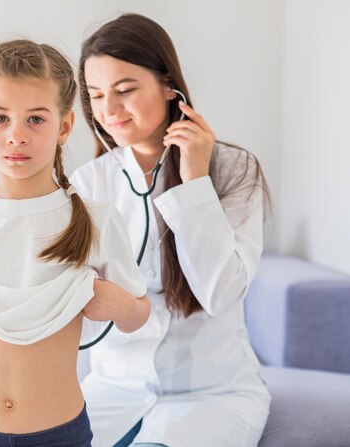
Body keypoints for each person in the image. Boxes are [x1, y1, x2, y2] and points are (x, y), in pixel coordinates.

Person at [0, 39, 151, 447]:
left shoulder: (93, 220)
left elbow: (137, 314)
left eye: (36, 119)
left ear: (66, 125)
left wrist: (122, 306)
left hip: (60, 435)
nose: (16, 135)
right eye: (0, 118)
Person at [70, 14, 272, 447]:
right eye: (96, 95)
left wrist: (195, 182)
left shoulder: (236, 170)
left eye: (125, 91)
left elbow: (219, 294)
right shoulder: (88, 184)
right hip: (113, 390)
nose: (108, 110)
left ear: (169, 87)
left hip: (213, 394)